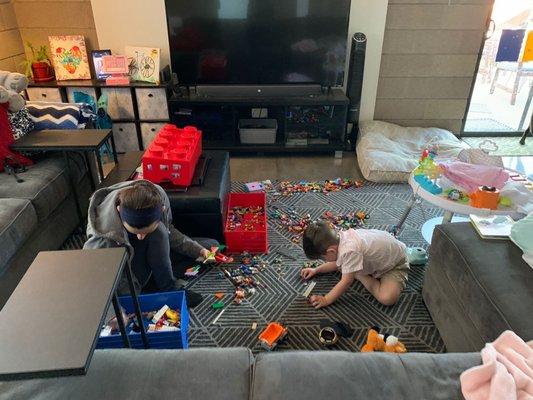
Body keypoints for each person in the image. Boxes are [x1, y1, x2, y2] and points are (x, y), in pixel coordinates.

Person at [84, 180, 217, 307]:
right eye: (135, 232)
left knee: (210, 246)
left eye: (146, 232)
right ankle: (163, 289)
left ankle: (160, 283)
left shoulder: (159, 196)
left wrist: (198, 250)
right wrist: (119, 311)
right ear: (119, 210)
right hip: (125, 273)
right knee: (159, 231)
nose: (141, 237)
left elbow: (169, 231)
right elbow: (93, 278)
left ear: (162, 210)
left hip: (151, 251)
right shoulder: (103, 237)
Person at [301, 221, 409, 309]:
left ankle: (359, 275)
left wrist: (326, 299)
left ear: (331, 252)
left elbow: (346, 282)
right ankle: (354, 271)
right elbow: (336, 263)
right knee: (343, 265)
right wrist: (316, 270)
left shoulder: (349, 251)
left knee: (387, 298)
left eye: (322, 258)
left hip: (395, 264)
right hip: (388, 250)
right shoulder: (341, 238)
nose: (324, 261)